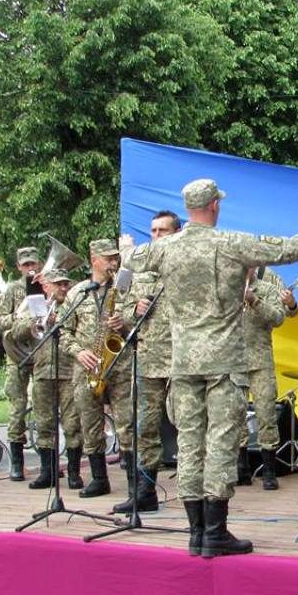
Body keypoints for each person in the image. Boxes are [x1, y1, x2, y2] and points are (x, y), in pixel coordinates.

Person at [125, 178, 298, 557]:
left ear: (187, 208)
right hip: (223, 362)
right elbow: (291, 249)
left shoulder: (163, 248)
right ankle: (216, 531)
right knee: (222, 442)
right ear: (215, 206)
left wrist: (126, 246)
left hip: (182, 363)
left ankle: (195, 533)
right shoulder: (232, 243)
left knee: (190, 443)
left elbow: (130, 259)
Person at [113, 210, 181, 515]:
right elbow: (121, 312)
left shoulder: (185, 266)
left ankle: (197, 494)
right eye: (153, 231)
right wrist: (134, 311)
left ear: (176, 233)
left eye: (162, 231)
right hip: (149, 358)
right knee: (144, 427)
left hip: (182, 358)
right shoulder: (137, 270)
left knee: (188, 426)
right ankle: (145, 492)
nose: (156, 236)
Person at [60, 239, 137, 499]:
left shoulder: (124, 289)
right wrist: (78, 351)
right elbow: (63, 331)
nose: (114, 262)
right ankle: (99, 479)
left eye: (116, 258)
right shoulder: (77, 292)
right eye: (108, 258)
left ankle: (134, 483)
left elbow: (139, 325)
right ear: (94, 260)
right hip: (88, 368)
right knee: (90, 425)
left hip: (119, 365)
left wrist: (124, 323)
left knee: (126, 424)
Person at [11, 268, 84, 490]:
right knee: (44, 424)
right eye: (58, 284)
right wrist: (35, 322)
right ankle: (47, 472)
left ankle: (74, 472)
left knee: (72, 424)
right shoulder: (35, 306)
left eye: (65, 284)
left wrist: (58, 320)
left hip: (69, 372)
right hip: (43, 372)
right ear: (46, 287)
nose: (63, 288)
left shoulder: (75, 304)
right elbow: (16, 331)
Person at [238, 266, 298, 490]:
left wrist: (254, 301)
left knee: (266, 414)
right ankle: (242, 468)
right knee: (235, 415)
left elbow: (278, 318)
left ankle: (269, 470)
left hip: (260, 361)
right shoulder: (226, 286)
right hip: (233, 360)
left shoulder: (268, 288)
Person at [0, 246, 44, 482]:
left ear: (39, 264)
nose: (30, 268)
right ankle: (18, 463)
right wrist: (16, 318)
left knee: (44, 407)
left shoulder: (46, 284)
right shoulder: (12, 289)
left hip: (42, 352)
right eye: (26, 264)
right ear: (19, 267)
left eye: (33, 264)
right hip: (17, 354)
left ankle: (48, 462)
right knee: (17, 408)